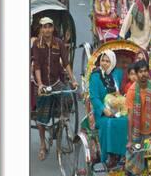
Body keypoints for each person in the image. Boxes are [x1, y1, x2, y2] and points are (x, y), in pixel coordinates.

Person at [32, 17, 78, 161]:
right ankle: (42, 145)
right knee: (41, 116)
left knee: (68, 97)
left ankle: (62, 122)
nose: (47, 29)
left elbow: (66, 63)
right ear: (40, 29)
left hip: (56, 81)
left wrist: (73, 80)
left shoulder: (59, 43)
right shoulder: (37, 44)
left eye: (49, 26)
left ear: (53, 28)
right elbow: (37, 65)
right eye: (44, 27)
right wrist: (40, 84)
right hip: (43, 83)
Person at [89, 50, 128, 168]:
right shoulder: (95, 76)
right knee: (109, 123)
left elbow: (124, 89)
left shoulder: (118, 74)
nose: (105, 63)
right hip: (102, 112)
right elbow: (94, 97)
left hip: (117, 108)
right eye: (103, 61)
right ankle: (111, 155)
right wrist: (104, 109)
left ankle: (123, 153)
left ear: (113, 62)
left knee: (126, 121)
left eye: (108, 61)